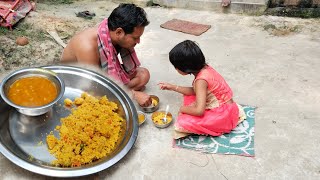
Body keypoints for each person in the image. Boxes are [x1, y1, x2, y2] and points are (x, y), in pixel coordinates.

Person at [61, 3, 151, 106]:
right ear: (119, 32)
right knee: (95, 101)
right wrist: (133, 94)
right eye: (135, 38)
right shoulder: (87, 47)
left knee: (143, 74)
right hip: (77, 84)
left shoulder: (110, 32)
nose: (138, 41)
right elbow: (93, 85)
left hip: (99, 73)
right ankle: (119, 94)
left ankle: (118, 94)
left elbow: (109, 68)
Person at [158, 40, 245, 138]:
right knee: (190, 99)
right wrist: (173, 87)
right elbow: (197, 91)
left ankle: (219, 125)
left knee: (182, 122)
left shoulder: (201, 81)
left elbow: (199, 111)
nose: (175, 69)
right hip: (230, 107)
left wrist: (182, 109)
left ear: (185, 68)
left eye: (176, 67)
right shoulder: (205, 68)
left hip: (224, 116)